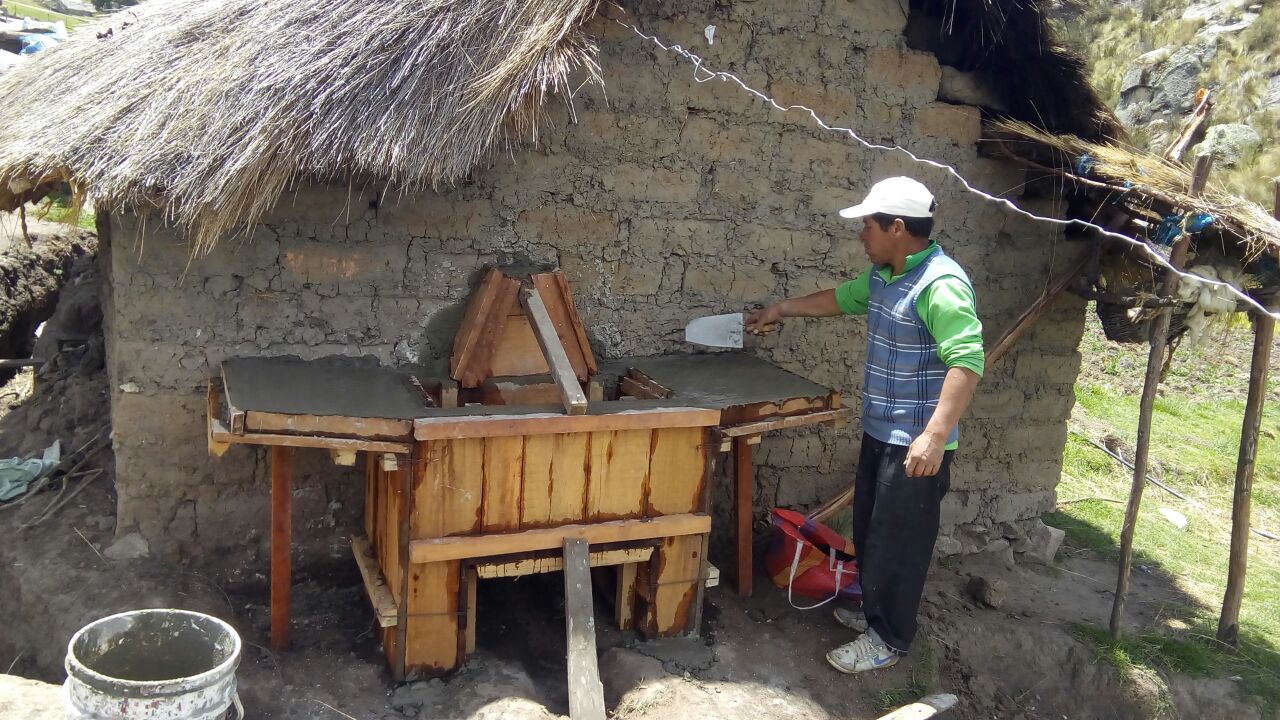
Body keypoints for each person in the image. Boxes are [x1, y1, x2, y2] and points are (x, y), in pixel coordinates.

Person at [745, 176, 984, 673]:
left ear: (897, 228)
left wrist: (935, 435)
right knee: (872, 531)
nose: (861, 235)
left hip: (917, 444)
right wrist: (781, 309)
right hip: (881, 431)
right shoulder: (883, 276)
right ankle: (875, 609)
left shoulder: (940, 285)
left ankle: (889, 638)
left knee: (900, 543)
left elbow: (966, 361)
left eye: (868, 226)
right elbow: (840, 298)